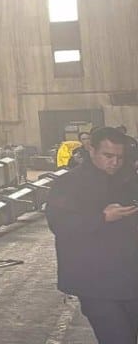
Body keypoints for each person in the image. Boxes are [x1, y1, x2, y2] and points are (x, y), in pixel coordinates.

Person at [46, 126, 138, 343]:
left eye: (119, 157)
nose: (114, 162)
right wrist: (102, 217)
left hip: (131, 278)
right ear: (91, 149)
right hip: (96, 282)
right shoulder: (68, 184)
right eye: (108, 156)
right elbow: (59, 224)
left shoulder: (129, 181)